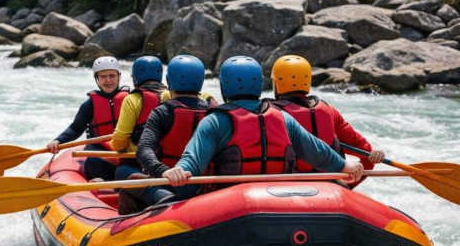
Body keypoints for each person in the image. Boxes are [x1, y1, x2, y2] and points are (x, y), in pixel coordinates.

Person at [162, 56, 365, 192]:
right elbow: (316, 150)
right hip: (281, 196)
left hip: (232, 201)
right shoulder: (282, 117)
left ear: (224, 86)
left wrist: (178, 170)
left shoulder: (215, 120)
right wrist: (344, 165)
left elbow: (193, 161)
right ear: (260, 85)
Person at [269, 55, 385, 176]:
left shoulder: (269, 113)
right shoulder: (329, 110)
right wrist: (350, 181)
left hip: (284, 182)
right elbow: (366, 155)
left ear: (277, 82)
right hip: (330, 180)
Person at [128, 55, 217, 207]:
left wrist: (163, 171)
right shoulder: (214, 114)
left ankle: (165, 200)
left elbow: (143, 149)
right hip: (205, 186)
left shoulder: (162, 112)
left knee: (126, 175)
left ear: (169, 81)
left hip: (170, 183)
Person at [46, 56, 130, 180]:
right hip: (100, 147)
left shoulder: (130, 100)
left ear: (118, 76)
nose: (108, 80)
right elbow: (76, 128)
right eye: (103, 76)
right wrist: (58, 140)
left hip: (125, 146)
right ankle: (101, 182)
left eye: (112, 76)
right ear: (97, 78)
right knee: (93, 162)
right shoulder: (90, 104)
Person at [109, 55, 168, 158]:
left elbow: (119, 142)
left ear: (134, 79)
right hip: (171, 158)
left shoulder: (132, 99)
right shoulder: (173, 97)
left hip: (141, 160)